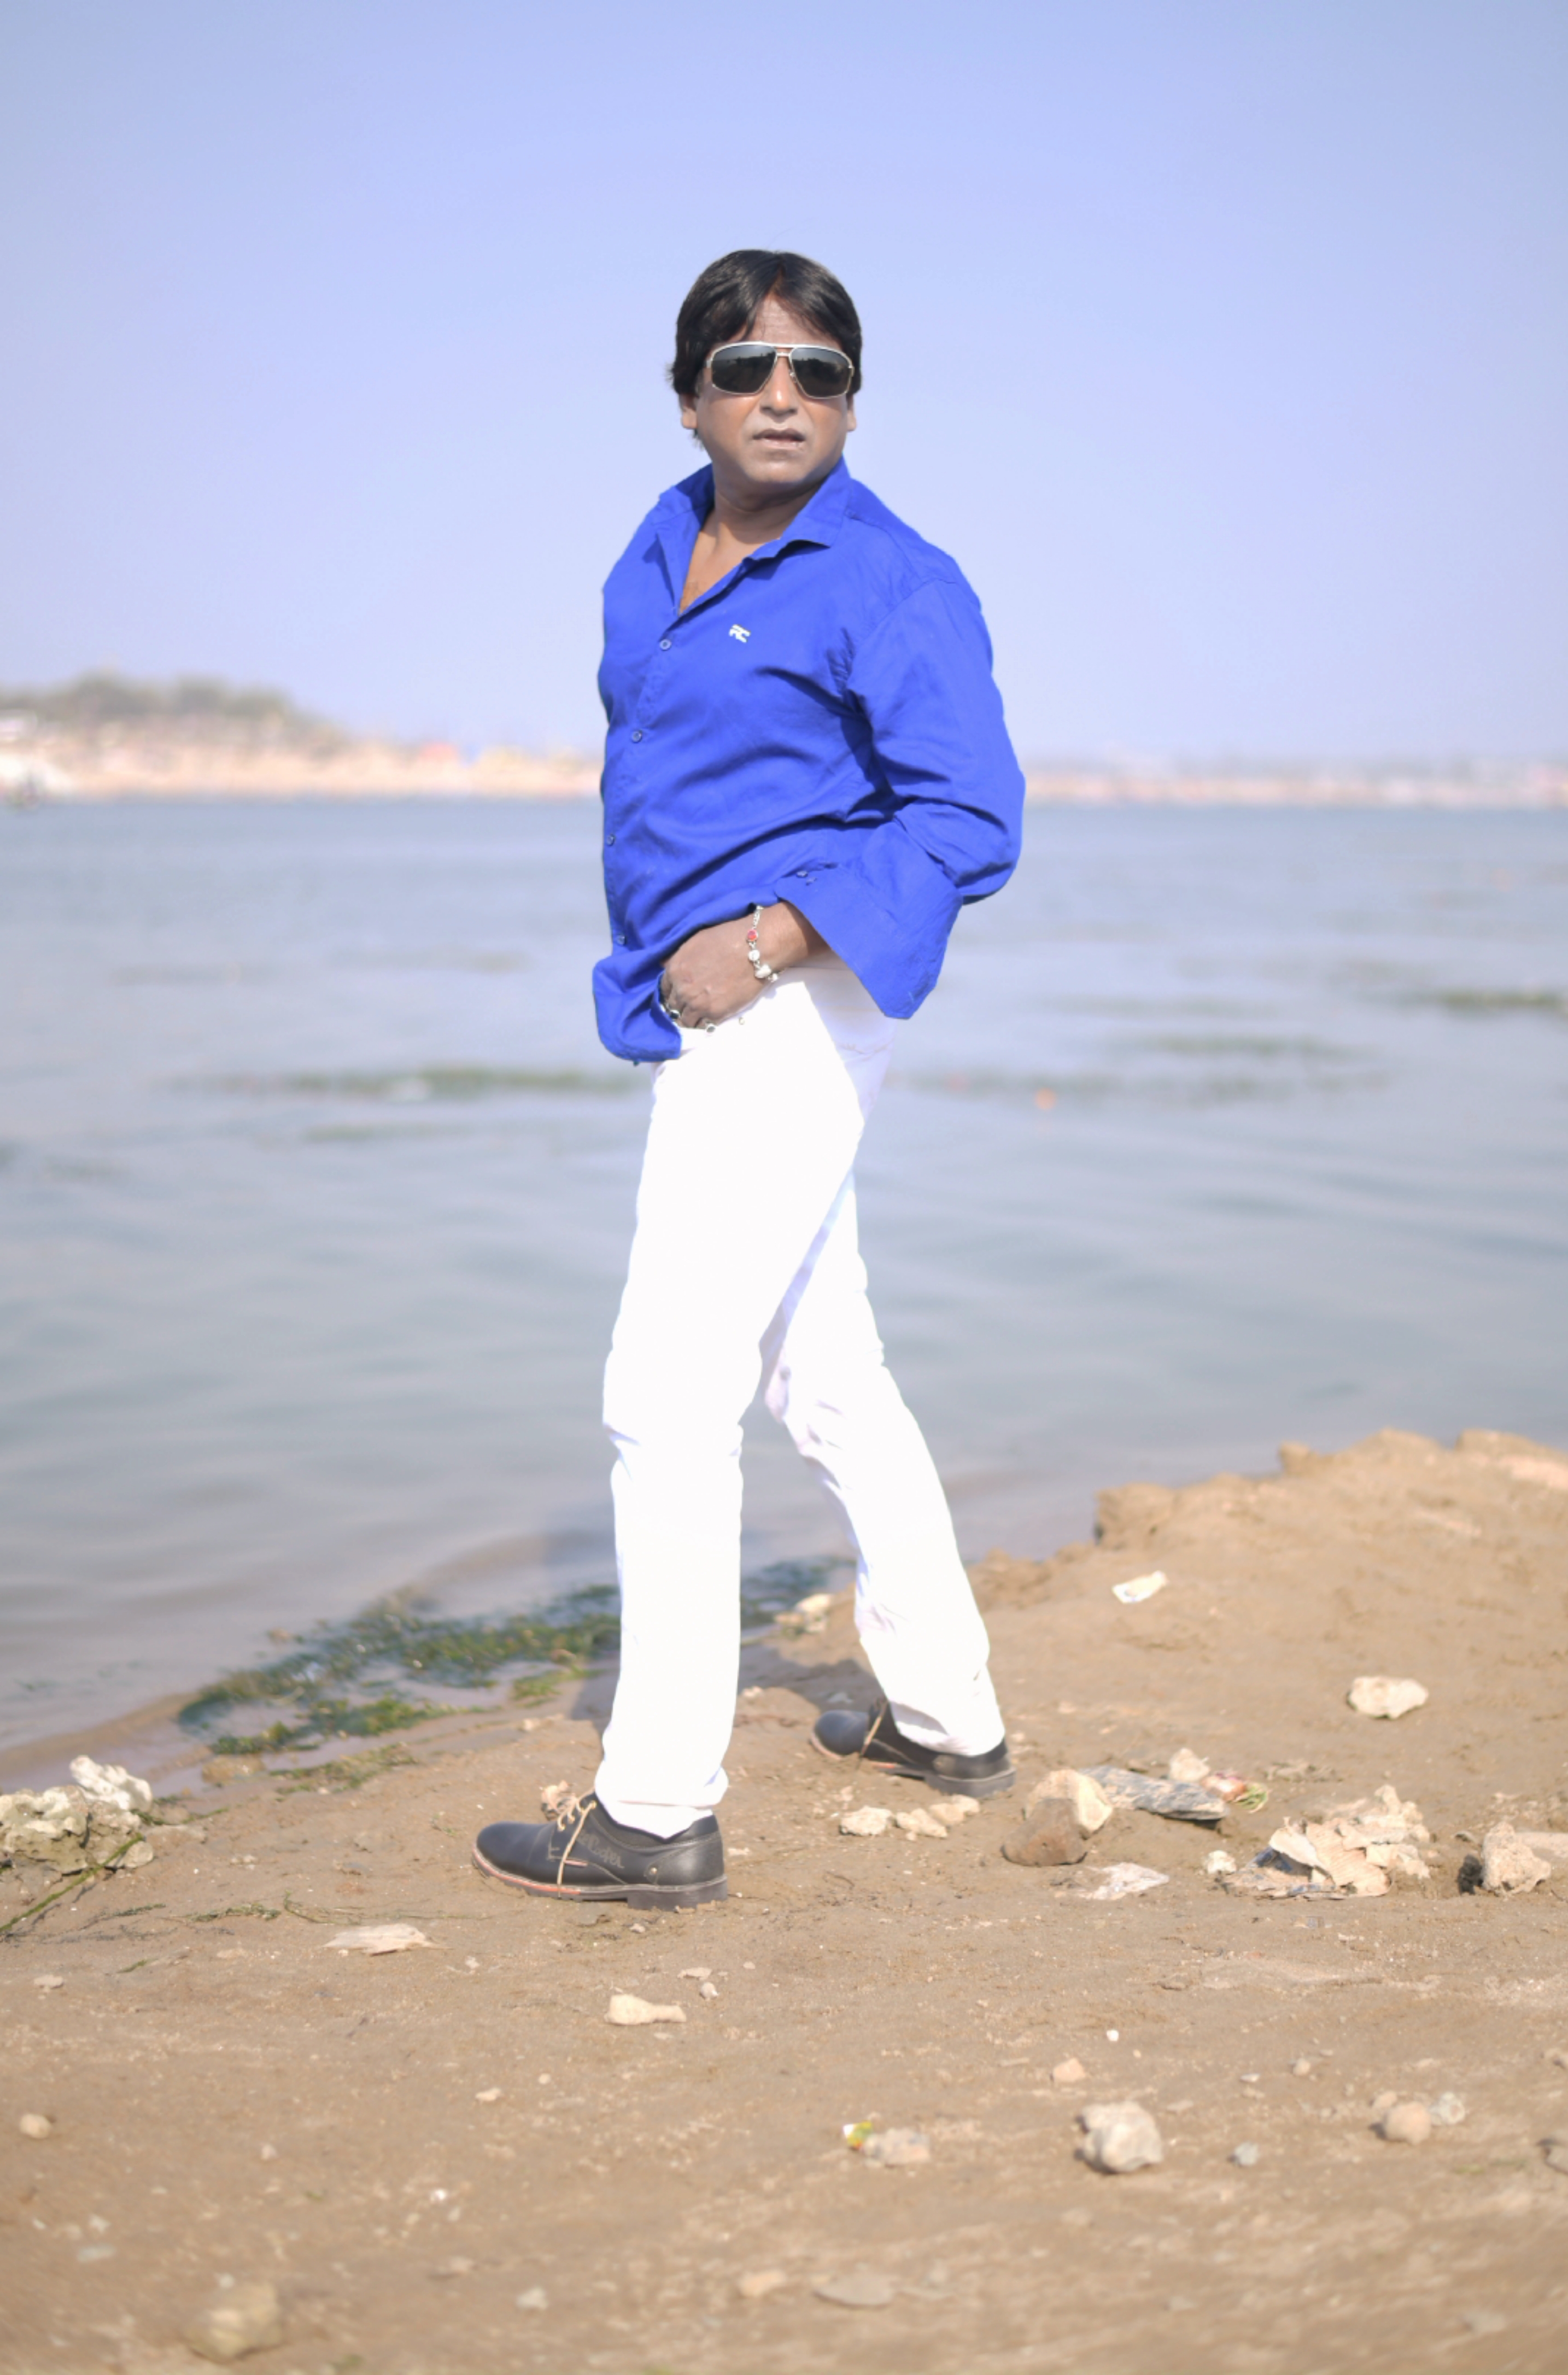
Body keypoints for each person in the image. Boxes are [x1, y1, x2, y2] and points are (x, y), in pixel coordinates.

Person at [474, 249, 1025, 1909]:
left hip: (792, 1001)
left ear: (853, 401)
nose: (783, 395)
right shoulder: (657, 547)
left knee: (664, 1392)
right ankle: (948, 1717)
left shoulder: (893, 577)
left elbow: (972, 819)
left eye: (820, 371)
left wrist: (769, 940)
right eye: (746, 365)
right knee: (822, 1375)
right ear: (689, 395)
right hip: (710, 1005)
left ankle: (655, 1813)